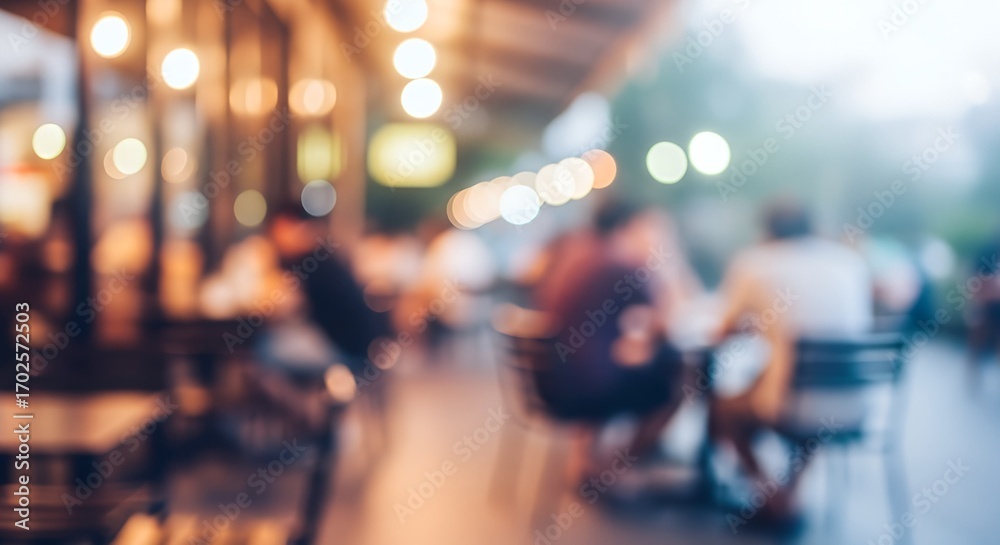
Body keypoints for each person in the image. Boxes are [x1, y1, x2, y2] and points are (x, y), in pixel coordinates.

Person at [711, 199, 873, 519]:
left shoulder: (755, 262)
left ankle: (772, 494)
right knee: (802, 397)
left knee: (722, 409)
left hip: (792, 402)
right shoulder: (848, 261)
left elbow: (723, 329)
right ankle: (790, 493)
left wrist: (758, 324)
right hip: (853, 403)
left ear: (765, 231)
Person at [532, 201, 687, 472]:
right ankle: (617, 468)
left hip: (558, 381)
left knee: (648, 362)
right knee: (680, 379)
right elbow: (669, 318)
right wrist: (665, 256)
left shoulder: (578, 255)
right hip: (584, 389)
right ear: (629, 229)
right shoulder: (617, 264)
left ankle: (591, 461)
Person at [266, 204, 386, 373]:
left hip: (344, 349)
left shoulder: (311, 262)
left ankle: (299, 399)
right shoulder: (325, 256)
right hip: (359, 345)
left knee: (264, 350)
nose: (276, 238)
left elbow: (289, 308)